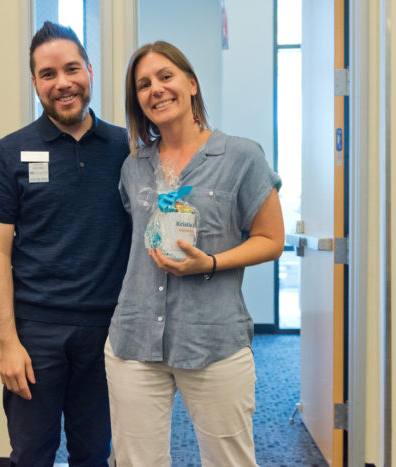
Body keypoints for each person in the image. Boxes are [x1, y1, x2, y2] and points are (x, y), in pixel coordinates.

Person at [105, 41, 285, 466]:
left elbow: (271, 239)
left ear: (191, 83)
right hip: (134, 340)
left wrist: (212, 262)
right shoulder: (133, 166)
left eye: (166, 76)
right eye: (144, 84)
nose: (156, 90)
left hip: (213, 337)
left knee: (229, 460)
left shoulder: (241, 155)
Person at [0, 21, 131, 467]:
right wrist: (7, 342)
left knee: (94, 455)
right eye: (48, 74)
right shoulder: (10, 153)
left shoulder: (127, 149)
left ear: (89, 70)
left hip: (107, 333)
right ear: (35, 83)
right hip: (34, 334)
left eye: (71, 69)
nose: (62, 83)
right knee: (31, 454)